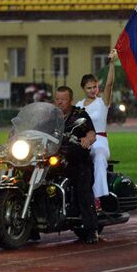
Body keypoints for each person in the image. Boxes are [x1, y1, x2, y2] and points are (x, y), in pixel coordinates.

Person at [54, 85, 99, 244]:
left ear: (70, 100)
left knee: (82, 187)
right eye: (57, 99)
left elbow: (91, 132)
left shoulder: (80, 114)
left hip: (76, 158)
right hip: (54, 158)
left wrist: (87, 139)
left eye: (63, 99)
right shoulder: (51, 116)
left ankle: (91, 229)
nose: (59, 102)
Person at [77, 48, 116, 212]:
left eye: (95, 87)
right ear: (83, 89)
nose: (93, 90)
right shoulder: (78, 106)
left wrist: (112, 63)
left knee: (99, 157)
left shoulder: (102, 103)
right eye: (89, 88)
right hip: (82, 142)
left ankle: (98, 198)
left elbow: (109, 84)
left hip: (99, 141)